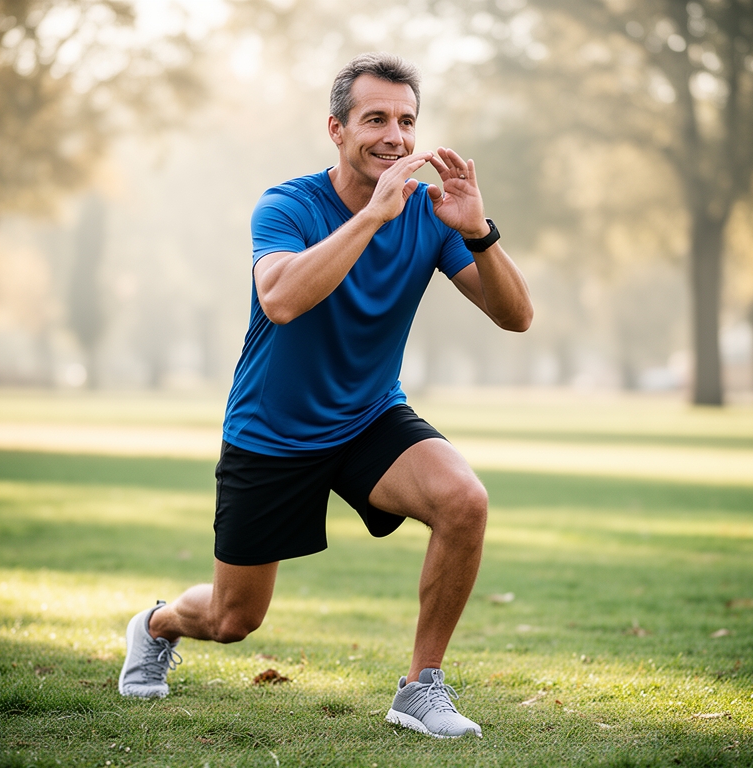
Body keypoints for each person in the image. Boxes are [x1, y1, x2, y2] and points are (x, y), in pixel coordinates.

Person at [118, 52, 533, 739]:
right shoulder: (288, 204)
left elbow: (515, 316)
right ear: (337, 129)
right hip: (272, 431)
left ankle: (420, 688)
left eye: (406, 121)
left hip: (369, 415)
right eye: (375, 119)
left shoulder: (431, 216)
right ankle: (156, 623)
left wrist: (478, 231)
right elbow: (279, 299)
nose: (394, 136)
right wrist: (372, 216)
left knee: (465, 500)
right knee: (233, 619)